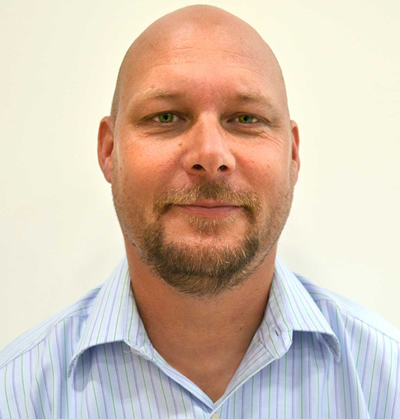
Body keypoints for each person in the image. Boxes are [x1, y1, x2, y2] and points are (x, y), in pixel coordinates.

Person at [0, 4, 399, 418]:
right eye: (166, 116)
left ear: (292, 156)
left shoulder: (388, 386)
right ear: (109, 150)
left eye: (246, 118)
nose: (210, 155)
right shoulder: (15, 397)